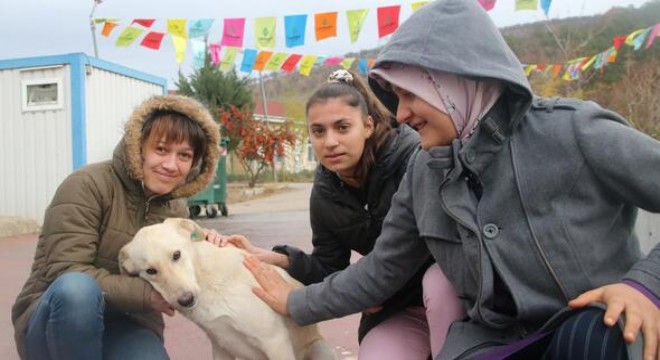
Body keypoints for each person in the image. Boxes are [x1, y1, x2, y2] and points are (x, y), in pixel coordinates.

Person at [244, 1, 660, 359]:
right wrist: (296, 302)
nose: (401, 114)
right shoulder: (424, 173)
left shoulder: (573, 131)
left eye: (409, 95)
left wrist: (643, 286)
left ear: (454, 81)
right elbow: (381, 269)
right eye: (396, 99)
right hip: (494, 341)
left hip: (589, 326)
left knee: (602, 335)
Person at [216, 69, 464, 359]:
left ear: (368, 125)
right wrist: (282, 260)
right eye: (318, 131)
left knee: (438, 281)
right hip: (393, 306)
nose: (330, 142)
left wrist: (360, 290)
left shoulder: (414, 159)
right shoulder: (325, 192)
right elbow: (330, 265)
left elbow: (412, 252)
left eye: (342, 127)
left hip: (449, 296)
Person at [11, 95, 223, 360]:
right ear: (139, 147)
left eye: (184, 155)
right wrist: (148, 296)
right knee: (77, 288)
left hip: (127, 323)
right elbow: (65, 269)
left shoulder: (175, 209)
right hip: (58, 320)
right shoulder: (87, 185)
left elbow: (186, 261)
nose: (171, 165)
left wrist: (207, 244)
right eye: (160, 149)